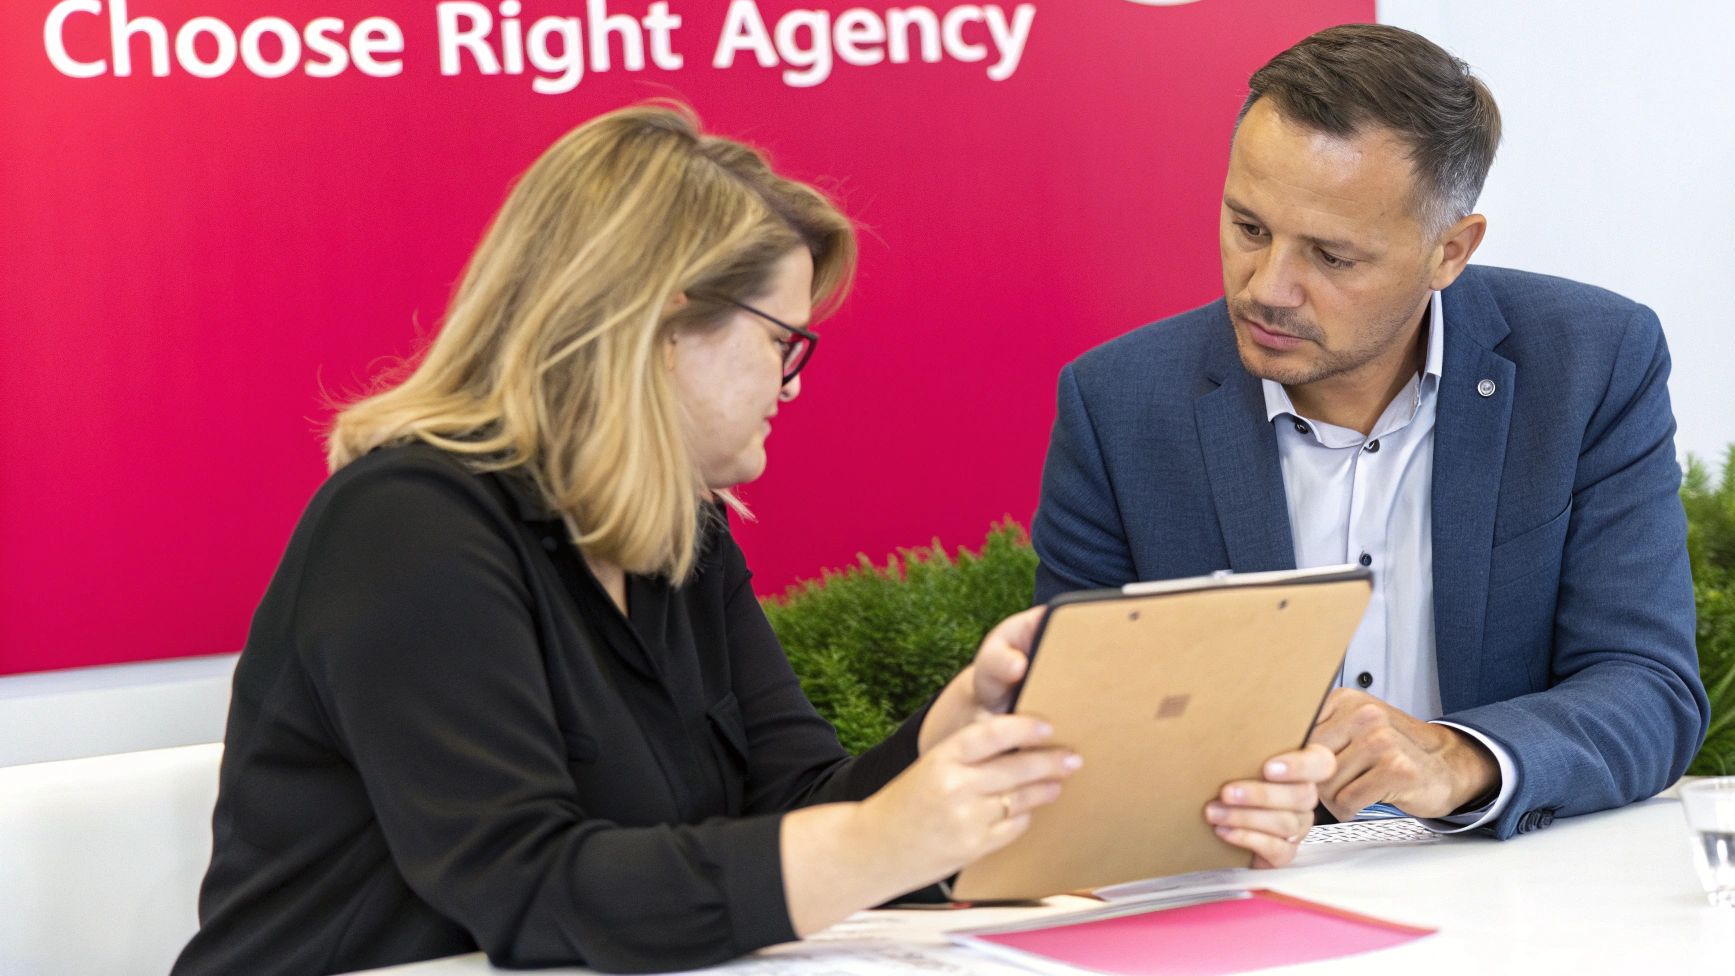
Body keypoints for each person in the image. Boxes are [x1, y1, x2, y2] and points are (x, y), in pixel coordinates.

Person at [173, 104, 1331, 976]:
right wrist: (888, 834)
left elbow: (796, 801)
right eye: (781, 339)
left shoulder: (677, 529)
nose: (790, 382)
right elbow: (528, 890)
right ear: (655, 325)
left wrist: (953, 741)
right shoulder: (408, 526)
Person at [1030, 24, 1709, 840]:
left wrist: (1458, 758)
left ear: (1449, 252)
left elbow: (1648, 689)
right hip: (1251, 908)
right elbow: (1078, 736)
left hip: (1512, 893)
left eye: (1331, 256)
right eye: (1248, 228)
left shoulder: (1590, 363)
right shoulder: (1121, 404)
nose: (1269, 288)